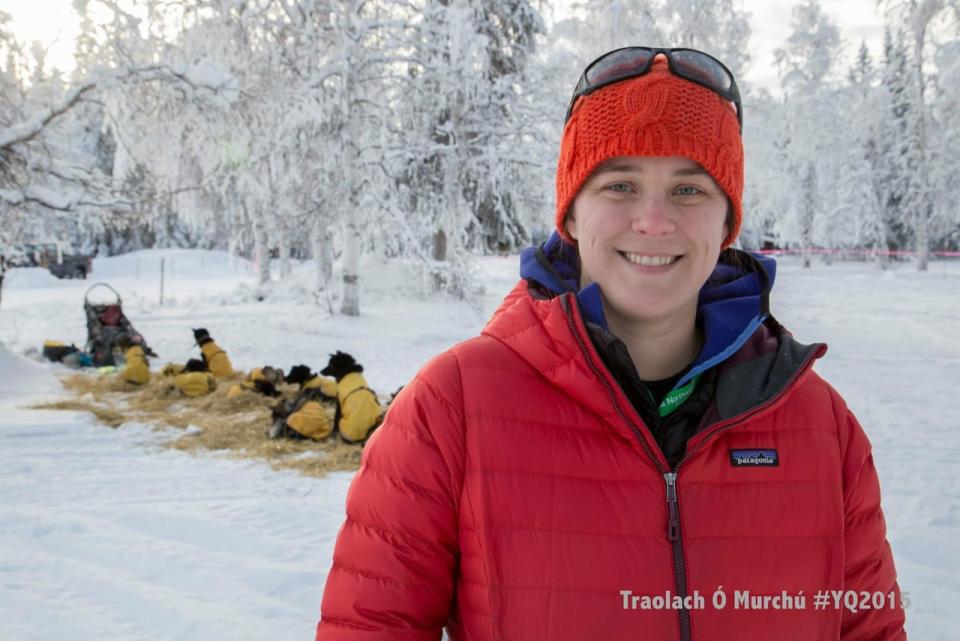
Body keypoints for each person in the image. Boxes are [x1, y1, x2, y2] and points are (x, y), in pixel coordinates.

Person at [315, 47, 906, 641]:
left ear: (727, 221)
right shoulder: (452, 409)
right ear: (570, 216)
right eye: (619, 184)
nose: (653, 221)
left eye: (689, 189)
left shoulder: (820, 428)